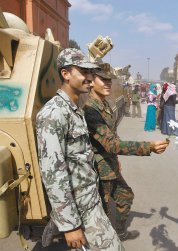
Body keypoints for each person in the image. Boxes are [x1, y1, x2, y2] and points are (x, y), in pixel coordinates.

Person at [36, 48, 123, 250]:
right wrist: (69, 225)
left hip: (90, 200)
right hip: (79, 208)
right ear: (65, 74)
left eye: (91, 73)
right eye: (83, 72)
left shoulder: (74, 109)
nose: (90, 78)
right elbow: (53, 173)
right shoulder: (53, 114)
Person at [83, 70, 169, 241]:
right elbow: (111, 144)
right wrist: (148, 147)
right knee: (103, 212)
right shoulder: (90, 110)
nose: (108, 83)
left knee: (125, 196)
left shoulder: (104, 104)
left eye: (110, 80)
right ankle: (106, 241)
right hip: (99, 168)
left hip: (110, 163)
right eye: (103, 79)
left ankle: (120, 232)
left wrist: (116, 159)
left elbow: (112, 137)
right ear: (91, 81)